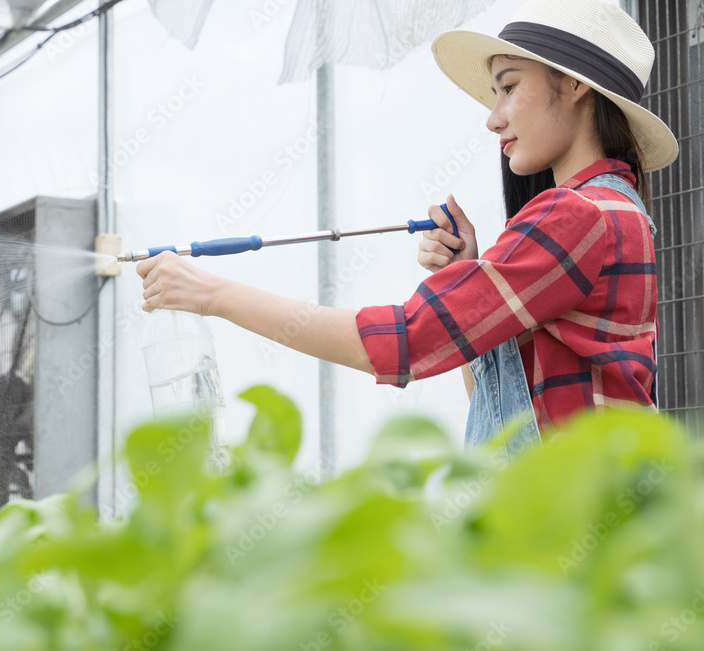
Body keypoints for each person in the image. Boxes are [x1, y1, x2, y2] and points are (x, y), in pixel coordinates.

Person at [136, 0, 678, 454]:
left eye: (508, 87)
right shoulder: (617, 210)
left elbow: (404, 344)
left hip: (575, 528)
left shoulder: (576, 217)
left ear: (576, 85)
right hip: (606, 519)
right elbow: (501, 416)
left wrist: (212, 293)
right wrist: (472, 274)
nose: (493, 117)